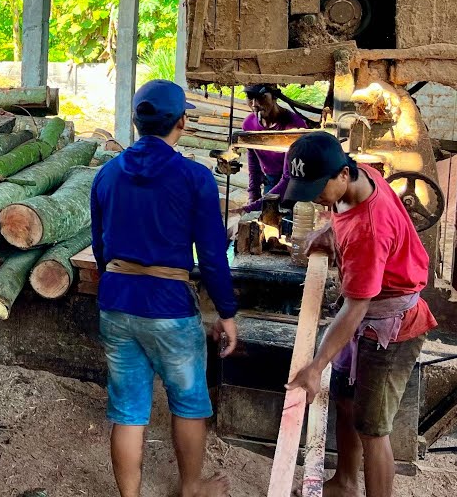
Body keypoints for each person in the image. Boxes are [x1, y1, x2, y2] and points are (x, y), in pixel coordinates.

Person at [90, 79, 238, 497]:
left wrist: (119, 282)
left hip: (117, 303)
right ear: (183, 122)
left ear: (136, 121)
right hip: (170, 307)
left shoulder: (106, 174)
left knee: (128, 409)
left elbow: (101, 248)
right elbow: (211, 256)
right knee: (189, 401)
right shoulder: (195, 177)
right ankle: (190, 486)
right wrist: (226, 313)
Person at [283, 131, 436, 497]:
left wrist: (315, 366)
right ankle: (346, 482)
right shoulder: (362, 175)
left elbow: (355, 307)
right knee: (347, 402)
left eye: (320, 188)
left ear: (342, 176)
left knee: (373, 428)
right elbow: (342, 216)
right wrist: (328, 230)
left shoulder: (369, 230)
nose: (317, 197)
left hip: (391, 329)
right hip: (368, 316)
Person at [238, 84, 309, 214]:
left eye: (261, 97)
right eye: (250, 97)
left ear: (274, 97)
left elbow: (289, 177)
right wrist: (253, 193)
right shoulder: (249, 124)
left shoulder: (294, 126)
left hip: (295, 182)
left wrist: (251, 207)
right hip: (270, 178)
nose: (254, 104)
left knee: (289, 223)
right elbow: (253, 158)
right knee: (267, 222)